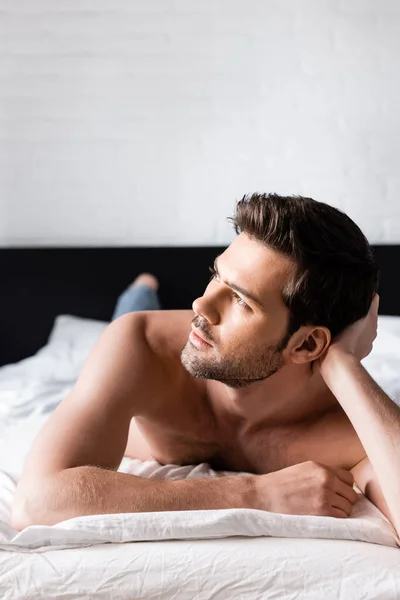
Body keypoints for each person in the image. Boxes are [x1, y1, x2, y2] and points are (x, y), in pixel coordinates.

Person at [11, 194, 400, 538]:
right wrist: (255, 493)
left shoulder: (349, 429)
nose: (202, 304)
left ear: (308, 343)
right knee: (125, 317)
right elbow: (36, 502)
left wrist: (344, 366)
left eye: (241, 301)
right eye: (216, 276)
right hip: (127, 350)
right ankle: (140, 289)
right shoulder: (140, 344)